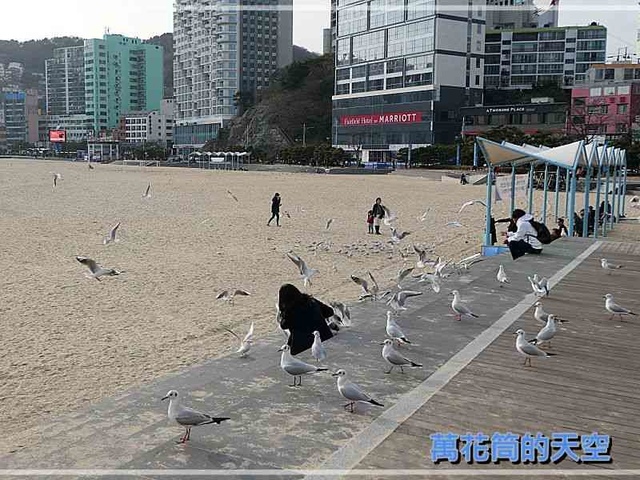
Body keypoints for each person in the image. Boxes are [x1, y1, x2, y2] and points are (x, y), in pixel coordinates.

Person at [278, 284, 334, 355]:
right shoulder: (311, 300)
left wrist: (283, 312)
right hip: (325, 336)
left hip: (303, 346)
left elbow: (283, 325)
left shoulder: (289, 311)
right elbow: (329, 312)